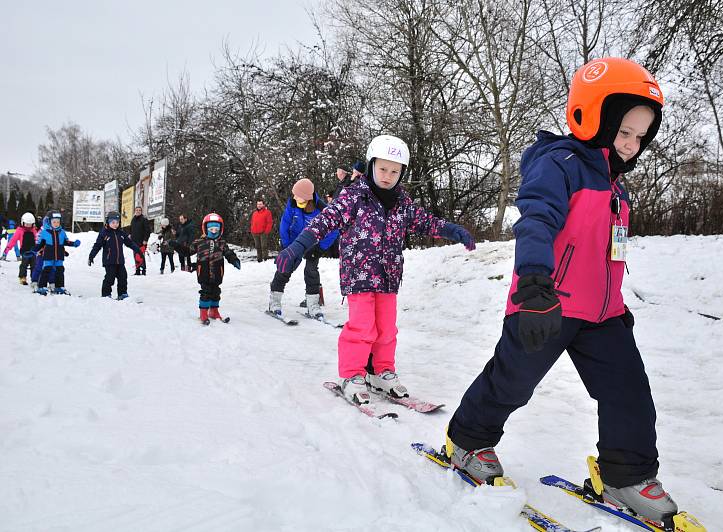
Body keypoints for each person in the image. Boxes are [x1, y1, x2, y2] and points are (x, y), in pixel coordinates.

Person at [442, 58, 680, 526]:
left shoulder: (618, 187)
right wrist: (533, 284)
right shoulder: (560, 164)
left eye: (640, 137)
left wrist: (618, 304)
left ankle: (625, 475)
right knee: (511, 381)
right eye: (624, 132)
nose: (632, 146)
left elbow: (608, 252)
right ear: (593, 116)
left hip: (603, 315)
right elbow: (537, 220)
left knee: (628, 389)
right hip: (545, 303)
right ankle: (468, 440)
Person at [276, 135, 475, 405]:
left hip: (389, 276)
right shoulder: (354, 196)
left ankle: (381, 372)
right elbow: (326, 220)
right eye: (382, 168)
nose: (387, 175)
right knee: (361, 327)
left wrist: (454, 230)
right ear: (371, 166)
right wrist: (297, 247)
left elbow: (426, 222)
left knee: (386, 329)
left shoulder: (402, 203)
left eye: (395, 171)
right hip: (359, 275)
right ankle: (352, 375)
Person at [268, 179, 338, 320]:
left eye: (297, 195)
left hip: (313, 245)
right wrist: (287, 245)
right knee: (284, 269)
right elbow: (285, 224)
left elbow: (334, 230)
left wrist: (320, 248)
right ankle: (274, 301)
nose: (294, 197)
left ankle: (313, 305)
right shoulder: (292, 204)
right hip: (293, 244)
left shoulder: (321, 209)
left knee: (311, 272)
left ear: (307, 197)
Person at [189, 213, 241, 324]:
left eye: (216, 229)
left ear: (220, 229)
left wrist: (234, 260)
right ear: (205, 228)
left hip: (217, 272)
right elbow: (187, 251)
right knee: (206, 292)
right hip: (204, 272)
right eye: (211, 229)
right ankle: (203, 313)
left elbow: (228, 252)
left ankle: (213, 311)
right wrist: (177, 245)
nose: (213, 231)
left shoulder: (221, 243)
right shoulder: (199, 242)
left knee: (216, 292)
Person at [87, 211, 143, 299]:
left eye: (117, 222)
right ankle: (106, 295)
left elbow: (130, 243)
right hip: (109, 261)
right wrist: (91, 256)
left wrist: (139, 251)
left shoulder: (121, 233)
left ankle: (122, 294)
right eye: (113, 222)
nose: (115, 224)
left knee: (123, 277)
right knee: (110, 278)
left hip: (120, 261)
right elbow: (97, 246)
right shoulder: (104, 233)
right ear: (108, 222)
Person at [34, 210, 80, 294]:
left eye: (58, 222)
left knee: (60, 270)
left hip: (59, 256)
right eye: (54, 222)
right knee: (46, 270)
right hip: (48, 256)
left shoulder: (62, 232)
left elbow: (66, 242)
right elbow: (40, 244)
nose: (56, 223)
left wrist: (74, 244)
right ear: (48, 222)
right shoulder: (44, 233)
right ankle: (42, 286)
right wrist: (34, 250)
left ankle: (59, 287)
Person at [2, 212, 38, 284]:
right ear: (23, 223)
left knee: (34, 265)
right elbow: (13, 240)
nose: (28, 226)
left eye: (30, 225)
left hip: (33, 251)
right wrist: (7, 249)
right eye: (27, 224)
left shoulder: (34, 230)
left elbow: (37, 239)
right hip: (24, 251)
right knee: (24, 264)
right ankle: (22, 277)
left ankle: (34, 278)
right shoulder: (19, 230)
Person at [129, 206, 150, 275]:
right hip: (134, 242)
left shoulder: (144, 219)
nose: (138, 211)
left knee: (141, 256)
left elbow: (147, 231)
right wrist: (130, 235)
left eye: (139, 210)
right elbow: (131, 229)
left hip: (141, 241)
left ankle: (143, 270)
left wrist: (145, 239)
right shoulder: (133, 219)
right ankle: (137, 270)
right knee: (135, 256)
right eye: (136, 210)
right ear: (135, 211)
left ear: (141, 211)